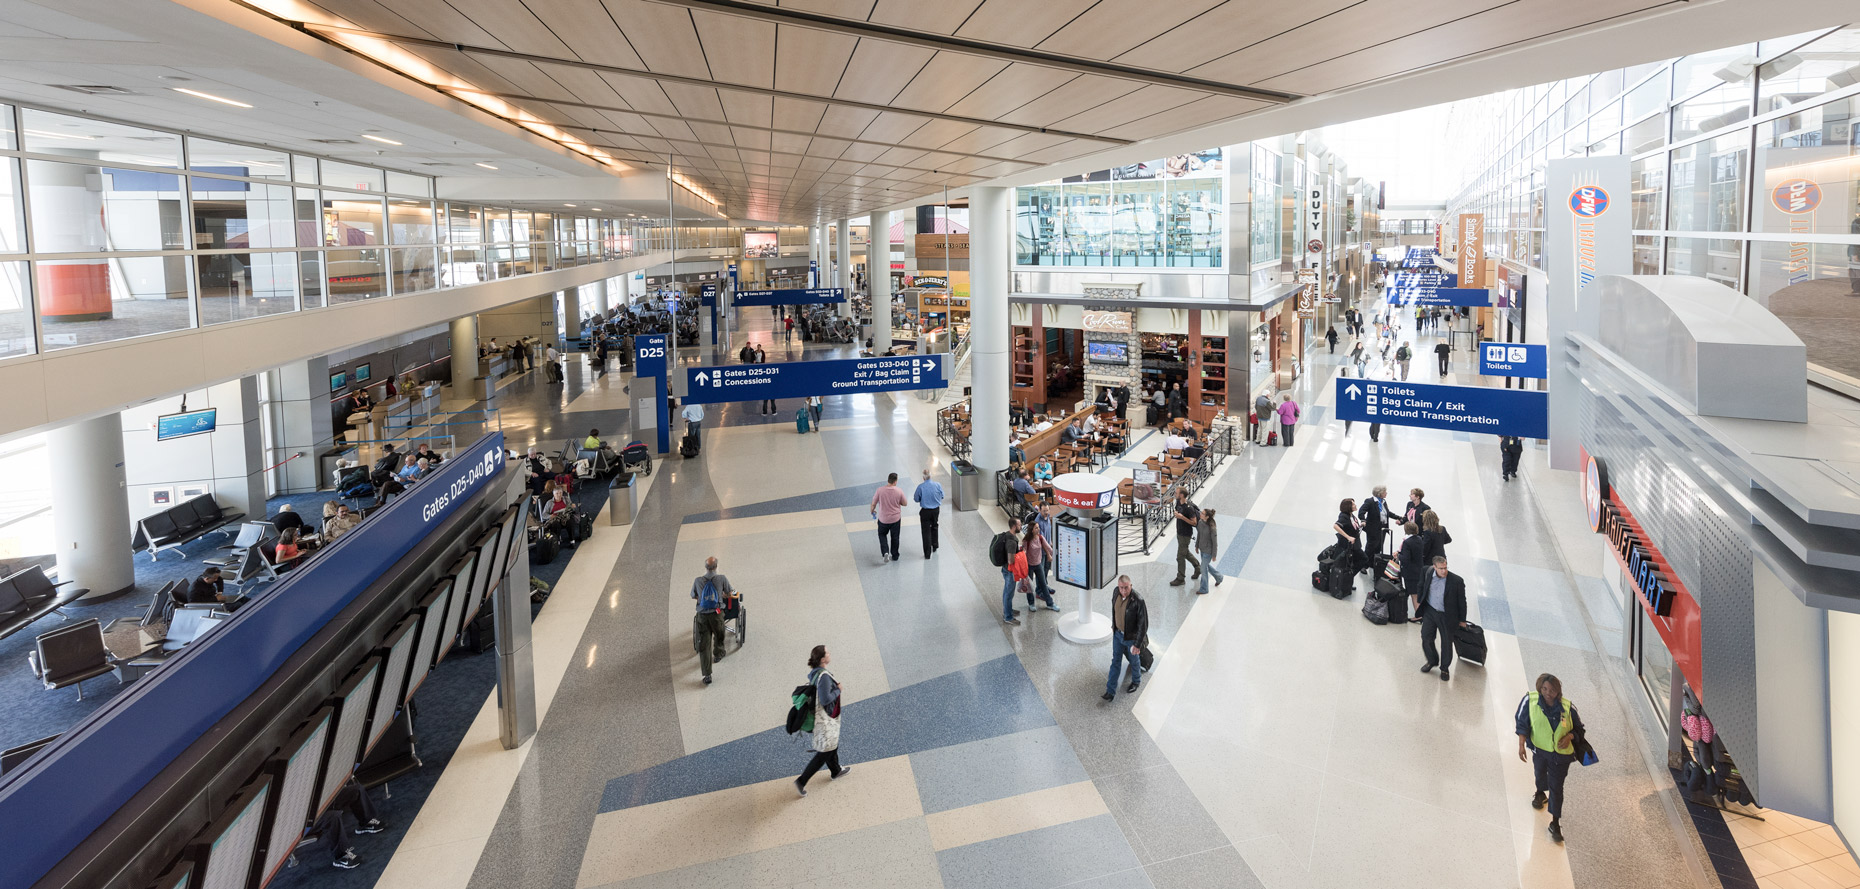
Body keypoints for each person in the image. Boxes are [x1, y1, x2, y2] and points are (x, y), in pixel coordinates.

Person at [1516, 673, 1584, 843]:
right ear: (1540, 687)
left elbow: (1580, 731)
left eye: (1552, 690)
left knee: (1556, 787)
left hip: (1561, 757)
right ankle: (1540, 793)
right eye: (1545, 689)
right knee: (1539, 773)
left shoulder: (1568, 709)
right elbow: (1522, 723)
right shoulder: (1531, 702)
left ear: (1558, 692)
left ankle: (1555, 822)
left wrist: (1569, 737)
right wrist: (1521, 744)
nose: (1548, 693)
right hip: (1540, 751)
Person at [794, 644, 851, 794]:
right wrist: (838, 690)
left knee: (832, 744)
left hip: (820, 717)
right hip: (825, 718)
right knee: (823, 753)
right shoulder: (824, 676)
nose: (830, 653)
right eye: (828, 652)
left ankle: (836, 770)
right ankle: (801, 781)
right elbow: (825, 699)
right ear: (823, 659)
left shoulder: (815, 672)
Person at [1419, 556, 1468, 681]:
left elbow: (1462, 602)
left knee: (1446, 643)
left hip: (1447, 616)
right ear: (1434, 567)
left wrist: (1462, 620)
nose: (1444, 571)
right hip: (1430, 611)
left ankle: (1444, 668)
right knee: (1426, 637)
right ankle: (1432, 660)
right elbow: (1421, 585)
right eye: (1441, 568)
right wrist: (1420, 601)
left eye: (1445, 568)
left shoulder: (1456, 581)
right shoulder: (1427, 572)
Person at [1102, 575, 1148, 700]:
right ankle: (1110, 691)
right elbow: (1115, 611)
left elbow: (1143, 625)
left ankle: (1136, 681)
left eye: (1126, 588)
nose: (1123, 591)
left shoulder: (1138, 600)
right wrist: (1114, 625)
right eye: (1121, 588)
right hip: (1117, 635)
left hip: (1131, 638)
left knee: (1134, 661)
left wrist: (1137, 644)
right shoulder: (1116, 592)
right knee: (1115, 661)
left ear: (1131, 586)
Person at [691, 556, 734, 686]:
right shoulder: (721, 578)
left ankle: (707, 674)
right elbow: (730, 593)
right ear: (716, 567)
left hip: (702, 616)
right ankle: (718, 653)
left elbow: (694, 596)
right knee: (719, 634)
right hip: (717, 614)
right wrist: (723, 595)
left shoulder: (698, 581)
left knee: (704, 644)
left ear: (706, 567)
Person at [1021, 522, 1059, 612]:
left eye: (1038, 527)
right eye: (1036, 528)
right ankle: (1031, 603)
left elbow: (1048, 547)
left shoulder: (1041, 538)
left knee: (1043, 584)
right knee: (1029, 585)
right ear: (1032, 530)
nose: (1038, 529)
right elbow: (1023, 552)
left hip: (1038, 564)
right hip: (1029, 565)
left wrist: (1057, 556)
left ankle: (1050, 603)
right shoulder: (1026, 540)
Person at [869, 472, 907, 563]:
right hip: (895, 519)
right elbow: (905, 503)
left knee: (882, 535)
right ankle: (895, 555)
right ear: (895, 481)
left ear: (888, 480)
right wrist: (898, 502)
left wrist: (872, 511)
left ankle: (885, 552)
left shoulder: (880, 490)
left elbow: (873, 503)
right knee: (895, 537)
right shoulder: (899, 491)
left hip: (883, 519)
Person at [992, 518, 1023, 626]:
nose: (1021, 526)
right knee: (1009, 593)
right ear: (1014, 526)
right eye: (1019, 524)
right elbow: (1011, 560)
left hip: (1005, 569)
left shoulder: (1007, 535)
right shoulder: (1012, 542)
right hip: (1010, 571)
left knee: (1007, 591)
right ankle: (1008, 617)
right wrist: (1018, 555)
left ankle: (1008, 610)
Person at [1169, 487, 1201, 586]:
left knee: (1180, 556)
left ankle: (1181, 578)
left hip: (1185, 535)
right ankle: (1198, 567)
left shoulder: (1189, 508)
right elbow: (1177, 511)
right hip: (1179, 532)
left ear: (1182, 495)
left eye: (1176, 493)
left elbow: (1194, 522)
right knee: (1185, 552)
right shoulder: (1178, 502)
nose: (1175, 494)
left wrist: (1182, 517)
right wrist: (1177, 514)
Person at [912, 469, 943, 559]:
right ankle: (935, 545)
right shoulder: (937, 485)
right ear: (931, 476)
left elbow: (916, 499)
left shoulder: (920, 487)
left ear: (923, 478)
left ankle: (927, 553)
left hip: (925, 511)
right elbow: (942, 495)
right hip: (936, 510)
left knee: (926, 531)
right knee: (934, 526)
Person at [1195, 508, 1224, 595]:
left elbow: (1215, 543)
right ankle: (1219, 577)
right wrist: (1197, 545)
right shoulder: (1200, 522)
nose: (1200, 514)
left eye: (1203, 513)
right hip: (1202, 549)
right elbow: (1199, 534)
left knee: (1203, 568)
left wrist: (1214, 555)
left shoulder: (1212, 528)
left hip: (1208, 551)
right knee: (1206, 566)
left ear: (1207, 517)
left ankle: (1204, 588)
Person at [1358, 486, 1391, 559]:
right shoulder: (1370, 501)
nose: (1386, 493)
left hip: (1383, 527)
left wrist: (1398, 517)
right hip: (1373, 528)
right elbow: (1361, 512)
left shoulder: (1383, 502)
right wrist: (1363, 520)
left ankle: (1374, 563)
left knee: (1379, 546)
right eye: (1385, 492)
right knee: (1371, 546)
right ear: (1380, 493)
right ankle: (1365, 563)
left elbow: (1387, 513)